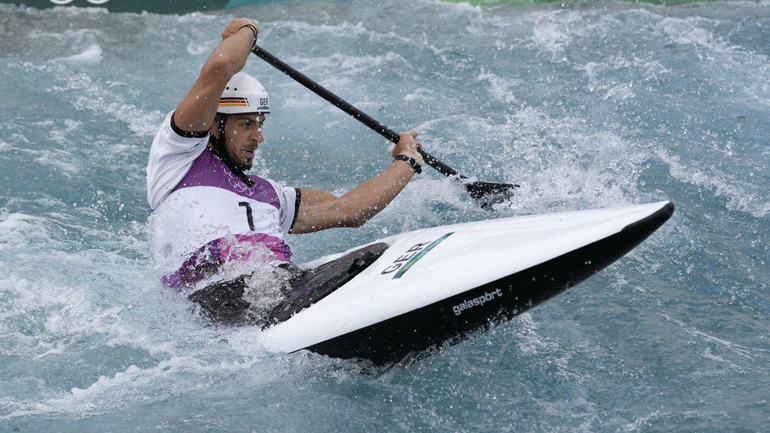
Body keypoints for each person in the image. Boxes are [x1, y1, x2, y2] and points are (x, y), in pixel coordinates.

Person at [147, 18, 424, 321]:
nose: (258, 136)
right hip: (215, 299)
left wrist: (407, 160)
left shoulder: (272, 194)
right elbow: (220, 67)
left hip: (280, 287)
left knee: (370, 257)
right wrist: (248, 30)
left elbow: (351, 210)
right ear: (214, 125)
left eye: (259, 124)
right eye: (245, 124)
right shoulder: (178, 160)